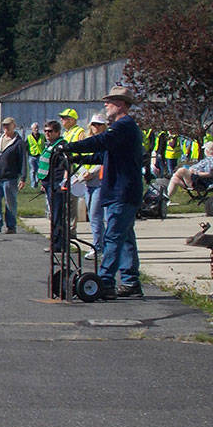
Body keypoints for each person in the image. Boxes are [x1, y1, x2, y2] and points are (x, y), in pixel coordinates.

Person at [64, 87, 144, 298]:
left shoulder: (123, 126)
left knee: (113, 238)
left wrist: (71, 148)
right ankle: (130, 282)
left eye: (109, 102)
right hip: (120, 192)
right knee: (125, 238)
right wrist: (79, 158)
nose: (105, 105)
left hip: (122, 192)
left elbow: (101, 142)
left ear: (120, 104)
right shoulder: (121, 128)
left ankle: (106, 282)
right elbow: (104, 155)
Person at [70, 114, 107, 252]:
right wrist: (82, 174)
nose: (96, 127)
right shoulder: (88, 140)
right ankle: (100, 244)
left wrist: (92, 173)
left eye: (99, 124)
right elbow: (84, 160)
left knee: (96, 215)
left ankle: (98, 247)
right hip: (87, 182)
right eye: (94, 124)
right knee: (92, 215)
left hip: (99, 182)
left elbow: (101, 160)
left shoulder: (105, 141)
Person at [0, 116, 26, 234]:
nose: (5, 127)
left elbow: (23, 161)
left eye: (8, 125)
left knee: (10, 202)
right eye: (4, 125)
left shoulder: (18, 142)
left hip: (10, 177)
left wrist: (23, 178)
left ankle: (11, 226)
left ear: (14, 126)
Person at [35, 119, 69, 253]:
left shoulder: (61, 145)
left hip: (57, 184)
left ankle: (57, 244)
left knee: (57, 215)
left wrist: (64, 182)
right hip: (48, 183)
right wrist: (43, 182)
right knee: (53, 214)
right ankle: (57, 242)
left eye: (50, 131)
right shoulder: (49, 145)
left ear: (57, 132)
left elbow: (67, 164)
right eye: (46, 131)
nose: (47, 134)